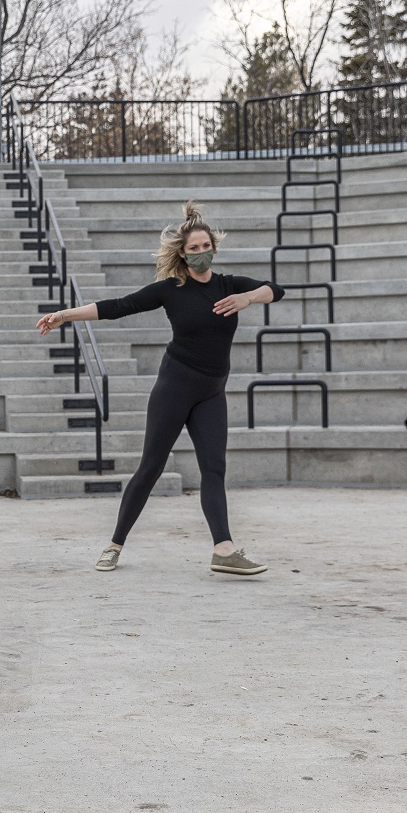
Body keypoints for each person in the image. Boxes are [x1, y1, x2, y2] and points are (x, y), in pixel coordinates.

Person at [36, 200, 283, 576]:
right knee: (150, 467)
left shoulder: (230, 287)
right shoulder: (171, 289)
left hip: (212, 392)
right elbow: (118, 306)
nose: (201, 253)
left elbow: (276, 289)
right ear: (182, 255)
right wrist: (66, 315)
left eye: (205, 246)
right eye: (193, 249)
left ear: (214, 247)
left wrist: (249, 298)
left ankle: (224, 550)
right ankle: (114, 544)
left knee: (214, 468)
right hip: (176, 386)